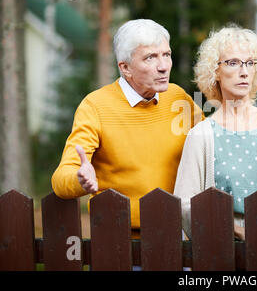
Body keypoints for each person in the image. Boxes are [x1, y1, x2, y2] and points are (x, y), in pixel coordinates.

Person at [52, 19, 204, 232]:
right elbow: (60, 180)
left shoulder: (178, 98)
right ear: (125, 68)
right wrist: (80, 179)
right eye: (150, 58)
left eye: (166, 55)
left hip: (176, 237)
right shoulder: (95, 106)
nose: (163, 67)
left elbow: (212, 148)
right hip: (119, 243)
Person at [173, 25, 257, 241]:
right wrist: (238, 233)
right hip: (224, 256)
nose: (244, 71)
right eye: (233, 63)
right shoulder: (201, 135)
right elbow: (186, 205)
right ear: (215, 71)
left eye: (250, 63)